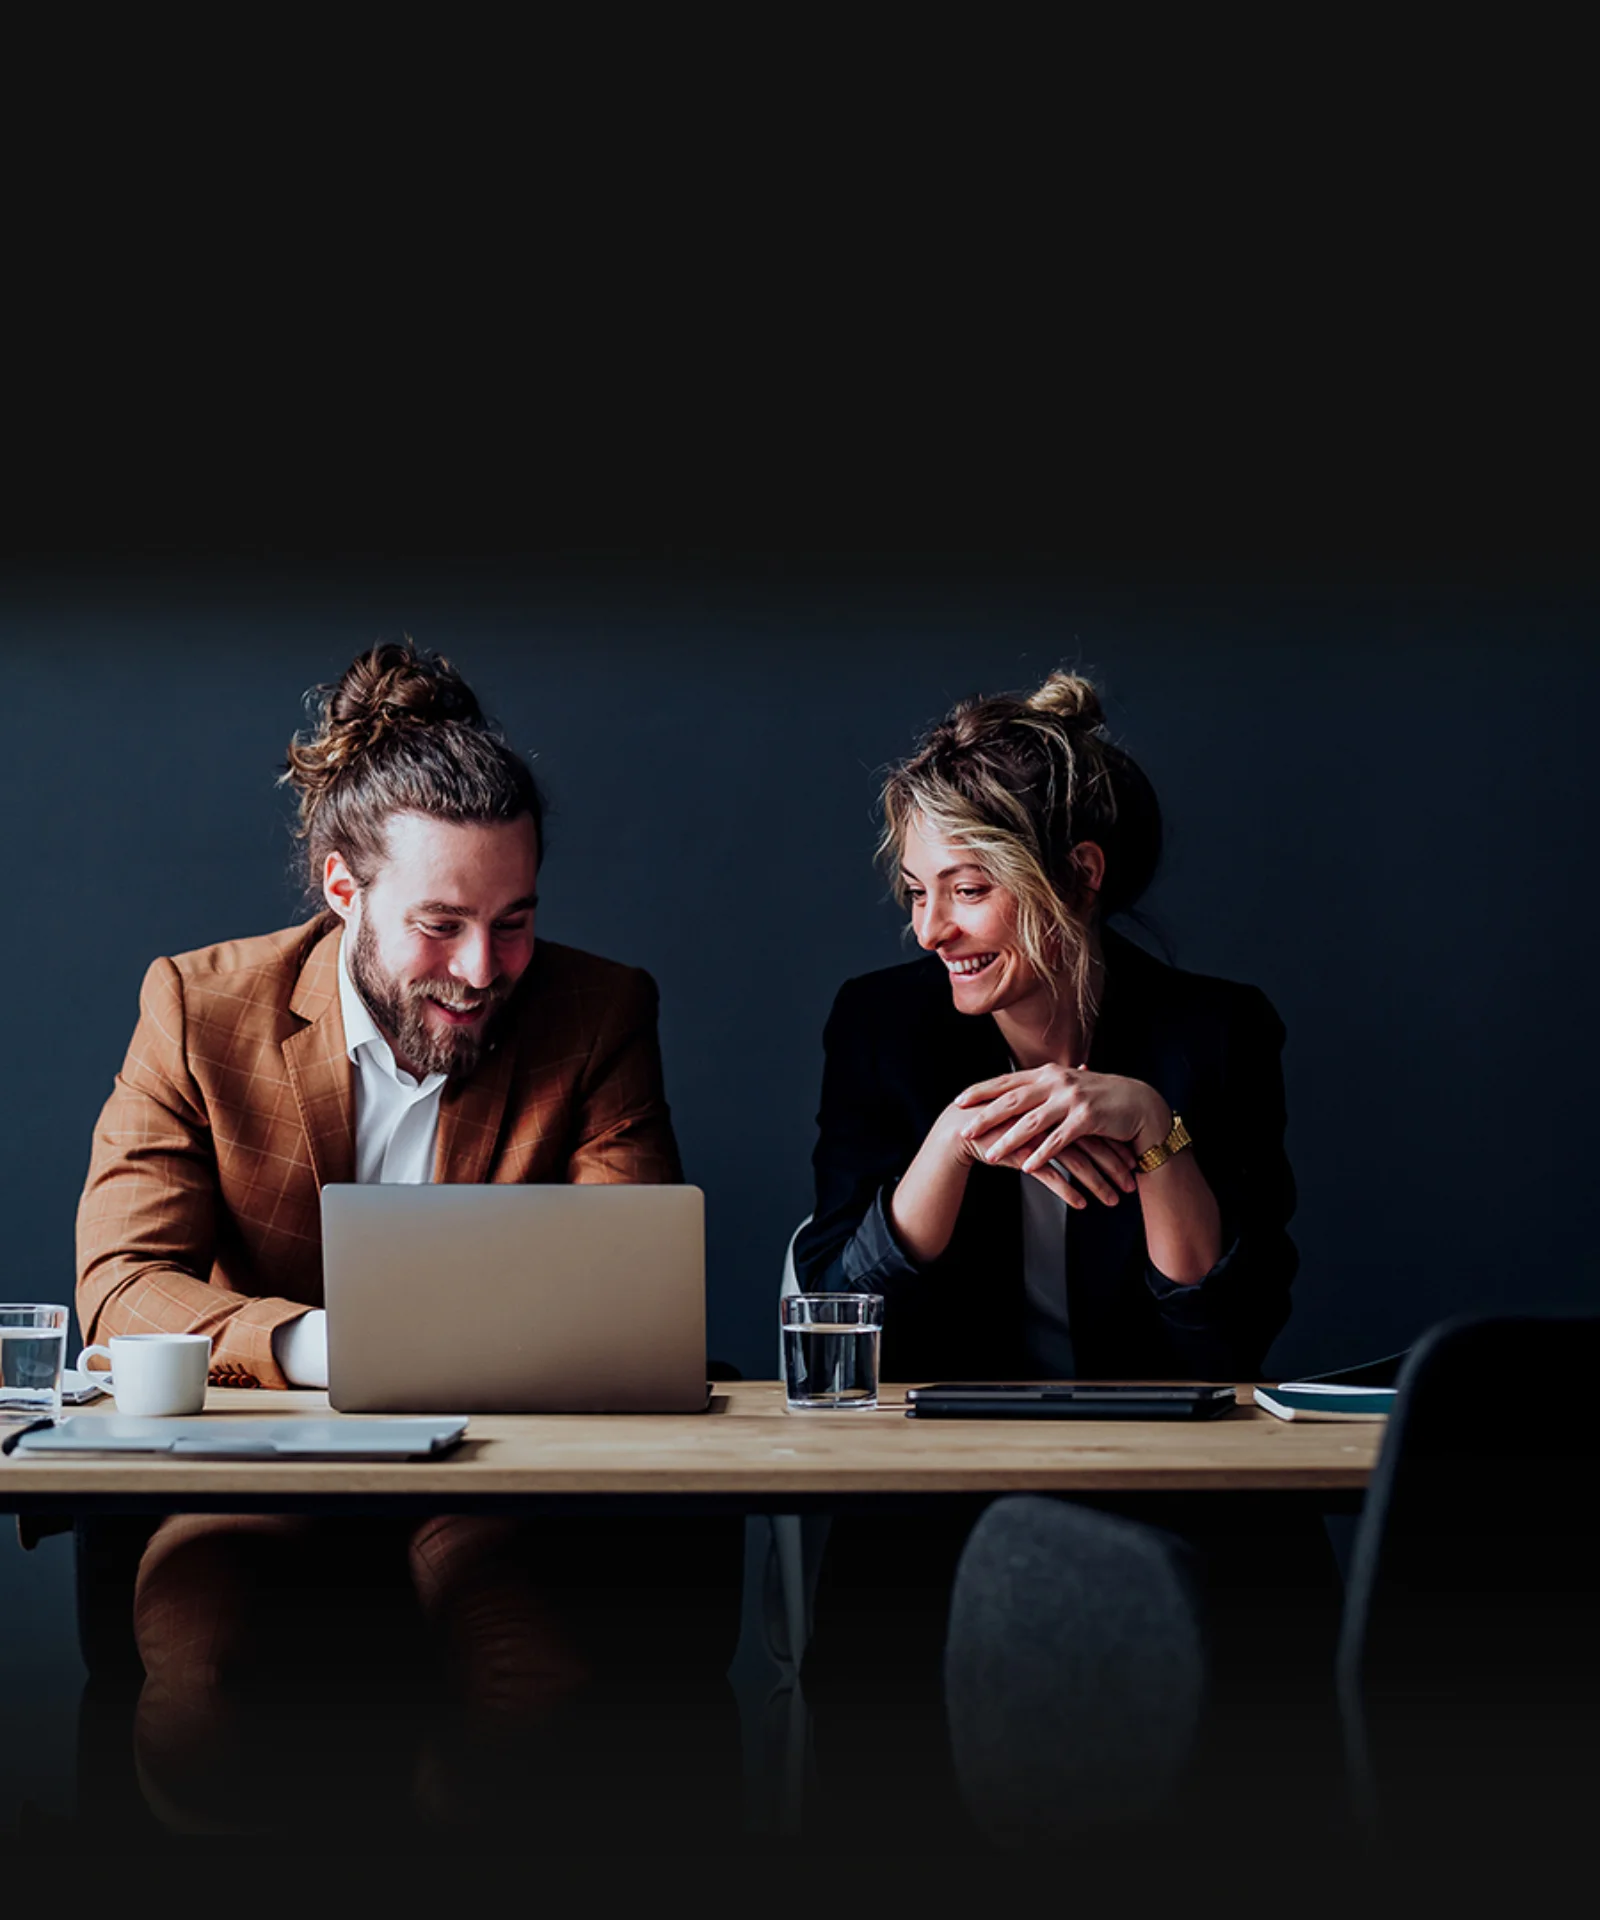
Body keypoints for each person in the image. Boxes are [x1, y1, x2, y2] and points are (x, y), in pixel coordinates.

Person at [74, 641, 739, 1843]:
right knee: (205, 1670)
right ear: (343, 891)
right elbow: (121, 1291)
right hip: (260, 1469)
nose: (484, 972)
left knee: (534, 1676)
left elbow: (628, 1280)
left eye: (515, 921)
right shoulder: (198, 1006)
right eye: (440, 926)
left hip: (501, 1472)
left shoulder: (597, 1014)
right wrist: (330, 1346)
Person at [793, 670, 1335, 1844]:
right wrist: (949, 1145)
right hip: (940, 1478)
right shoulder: (882, 1028)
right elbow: (839, 1316)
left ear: (1077, 876)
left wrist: (1156, 1134)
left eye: (969, 890)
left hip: (1168, 1474)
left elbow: (1230, 1339)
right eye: (917, 892)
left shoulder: (1216, 1033)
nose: (931, 928)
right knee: (889, 1631)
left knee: (1252, 1607)